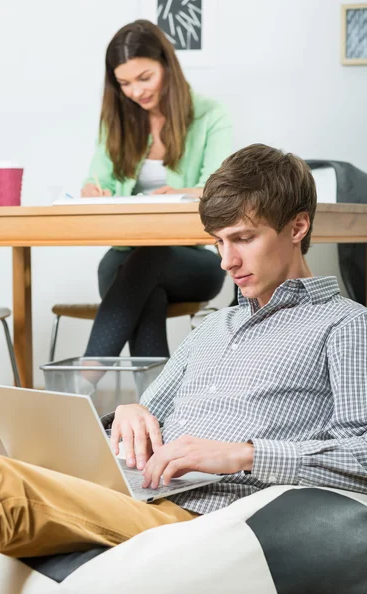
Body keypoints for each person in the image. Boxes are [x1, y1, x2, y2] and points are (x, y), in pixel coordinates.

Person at [0, 143, 367, 582]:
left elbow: (362, 454)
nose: (226, 261)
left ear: (298, 227)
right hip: (125, 485)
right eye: (218, 242)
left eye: (243, 238)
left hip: (189, 514)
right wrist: (129, 411)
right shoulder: (217, 327)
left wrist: (241, 454)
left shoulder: (345, 325)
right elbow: (148, 411)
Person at [81, 19, 232, 359]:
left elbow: (222, 190)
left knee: (151, 257)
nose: (136, 91)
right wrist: (94, 190)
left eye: (144, 77)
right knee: (146, 287)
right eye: (124, 83)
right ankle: (154, 411)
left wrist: (187, 193)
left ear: (167, 64)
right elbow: (99, 180)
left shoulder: (211, 115)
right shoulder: (117, 121)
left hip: (193, 260)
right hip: (124, 260)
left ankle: (85, 378)